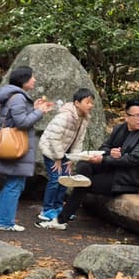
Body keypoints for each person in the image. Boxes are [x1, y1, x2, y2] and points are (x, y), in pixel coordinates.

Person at [44, 97, 139, 230]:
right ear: (126, 116)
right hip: (111, 169)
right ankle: (80, 179)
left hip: (128, 179)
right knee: (84, 164)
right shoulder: (120, 129)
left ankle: (60, 221)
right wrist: (110, 153)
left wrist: (108, 158)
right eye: (137, 115)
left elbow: (132, 160)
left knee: (84, 185)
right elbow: (104, 147)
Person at [0, 65, 54, 232]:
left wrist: (35, 109)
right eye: (32, 77)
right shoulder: (18, 97)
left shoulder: (14, 96)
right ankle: (5, 222)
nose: (34, 80)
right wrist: (39, 112)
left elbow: (17, 118)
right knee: (15, 185)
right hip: (17, 147)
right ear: (24, 79)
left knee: (12, 183)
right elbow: (22, 122)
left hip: (12, 145)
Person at [35, 87, 95, 226]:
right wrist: (58, 158)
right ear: (77, 103)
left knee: (66, 179)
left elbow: (79, 140)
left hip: (64, 154)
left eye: (92, 103)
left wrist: (72, 159)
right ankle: (46, 210)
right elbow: (53, 138)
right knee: (55, 179)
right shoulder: (64, 116)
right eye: (88, 102)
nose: (90, 105)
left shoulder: (84, 119)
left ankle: (57, 207)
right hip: (51, 151)